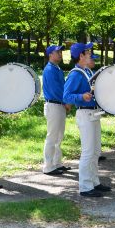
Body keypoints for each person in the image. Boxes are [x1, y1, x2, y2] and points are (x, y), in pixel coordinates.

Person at [63, 42, 109, 197]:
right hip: (85, 114)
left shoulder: (87, 71)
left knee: (95, 151)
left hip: (93, 114)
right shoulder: (75, 74)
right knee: (88, 152)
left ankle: (94, 182)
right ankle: (85, 187)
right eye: (87, 52)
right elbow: (66, 96)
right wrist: (81, 96)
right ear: (81, 55)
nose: (90, 53)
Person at [41, 44, 72, 176]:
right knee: (52, 136)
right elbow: (56, 90)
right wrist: (66, 101)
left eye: (60, 52)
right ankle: (48, 166)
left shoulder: (56, 68)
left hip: (58, 105)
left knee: (59, 136)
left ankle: (56, 163)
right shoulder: (50, 70)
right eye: (57, 52)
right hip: (54, 105)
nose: (60, 54)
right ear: (50, 55)